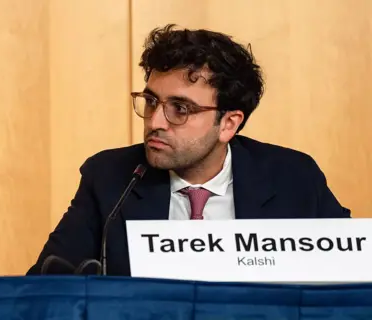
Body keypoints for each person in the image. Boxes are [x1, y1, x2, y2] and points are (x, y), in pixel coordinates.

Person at [27, 24, 350, 276]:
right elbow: (48, 284)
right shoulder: (111, 177)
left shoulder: (292, 177)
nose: (155, 121)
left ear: (228, 124)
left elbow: (351, 278)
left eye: (180, 109)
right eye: (151, 101)